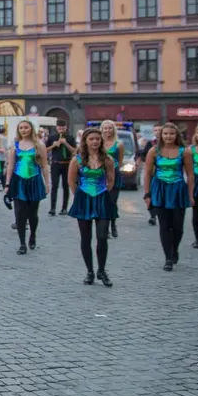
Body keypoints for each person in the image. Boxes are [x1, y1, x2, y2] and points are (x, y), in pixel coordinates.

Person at [142, 122, 194, 271]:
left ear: (176, 135)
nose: (168, 136)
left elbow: (190, 174)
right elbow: (147, 173)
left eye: (171, 133)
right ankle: (168, 258)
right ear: (161, 135)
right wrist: (147, 194)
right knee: (164, 225)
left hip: (178, 189)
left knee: (178, 226)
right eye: (165, 134)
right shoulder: (154, 151)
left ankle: (174, 248)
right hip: (160, 189)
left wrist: (190, 195)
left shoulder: (185, 152)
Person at [68, 127, 115, 287]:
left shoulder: (107, 159)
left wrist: (102, 192)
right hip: (84, 199)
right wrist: (79, 196)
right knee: (85, 237)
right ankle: (90, 271)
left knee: (102, 237)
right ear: (85, 141)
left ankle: (102, 270)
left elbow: (111, 180)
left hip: (102, 198)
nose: (95, 142)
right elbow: (71, 181)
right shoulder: (77, 160)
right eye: (91, 139)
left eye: (97, 139)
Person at [5, 119, 49, 255]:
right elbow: (11, 165)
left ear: (31, 129)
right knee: (19, 212)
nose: (24, 130)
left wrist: (47, 183)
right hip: (19, 181)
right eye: (21, 128)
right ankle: (22, 243)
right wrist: (7, 184)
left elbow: (44, 165)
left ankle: (33, 235)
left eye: (26, 127)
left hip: (34, 179)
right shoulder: (15, 145)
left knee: (32, 213)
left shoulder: (39, 145)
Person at [100, 121, 126, 238]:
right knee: (103, 202)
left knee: (112, 202)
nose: (108, 130)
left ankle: (113, 224)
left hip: (114, 174)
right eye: (105, 128)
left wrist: (113, 172)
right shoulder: (98, 142)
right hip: (100, 174)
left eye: (110, 128)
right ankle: (104, 228)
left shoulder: (119, 144)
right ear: (102, 129)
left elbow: (120, 162)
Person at [47, 123, 76, 216]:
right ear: (56, 128)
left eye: (63, 127)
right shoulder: (52, 137)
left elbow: (74, 151)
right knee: (54, 186)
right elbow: (45, 150)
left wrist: (65, 143)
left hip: (67, 164)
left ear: (66, 128)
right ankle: (52, 208)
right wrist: (53, 146)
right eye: (59, 127)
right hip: (55, 164)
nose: (61, 129)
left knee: (65, 186)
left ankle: (64, 208)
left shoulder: (70, 138)